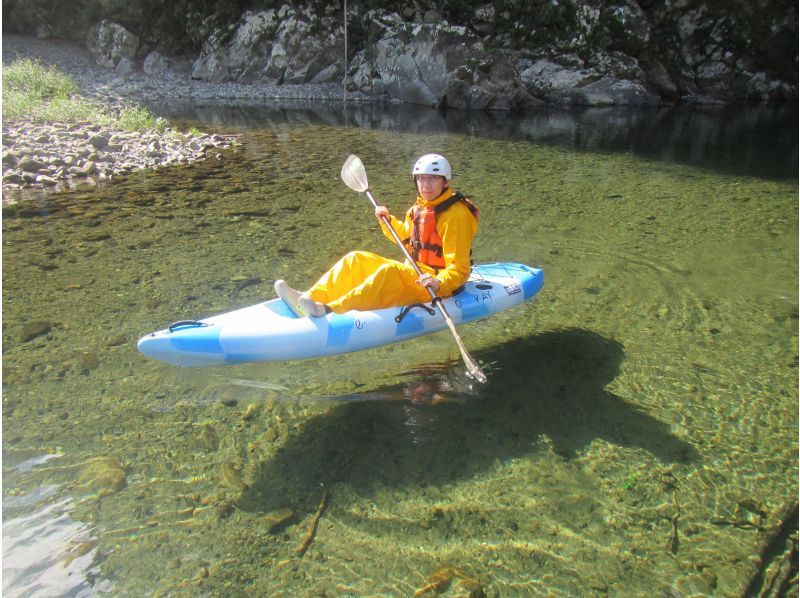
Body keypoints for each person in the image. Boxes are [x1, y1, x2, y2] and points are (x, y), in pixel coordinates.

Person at [274, 153, 479, 317]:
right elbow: (407, 239)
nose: (426, 185)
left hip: (437, 285)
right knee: (355, 259)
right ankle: (308, 299)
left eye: (433, 178)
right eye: (421, 178)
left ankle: (329, 309)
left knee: (389, 271)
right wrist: (387, 221)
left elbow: (460, 269)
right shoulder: (419, 209)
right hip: (416, 273)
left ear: (445, 182)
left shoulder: (456, 217)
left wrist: (439, 282)